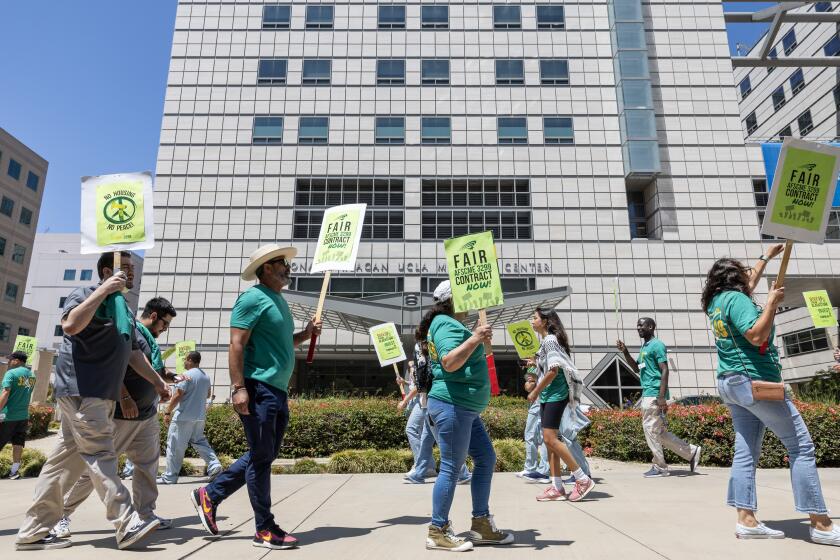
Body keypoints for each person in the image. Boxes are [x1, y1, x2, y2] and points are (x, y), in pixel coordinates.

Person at [16, 252, 171, 551]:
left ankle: (32, 532)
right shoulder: (88, 292)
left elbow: (133, 354)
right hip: (83, 391)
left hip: (96, 394)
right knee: (101, 454)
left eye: (132, 269)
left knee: (60, 466)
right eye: (123, 269)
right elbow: (71, 324)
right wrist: (103, 289)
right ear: (105, 271)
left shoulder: (122, 308)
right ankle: (126, 522)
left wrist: (157, 382)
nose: (130, 274)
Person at [703, 248, 840, 546]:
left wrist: (766, 256)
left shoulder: (717, 301)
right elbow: (756, 335)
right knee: (801, 446)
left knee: (745, 453)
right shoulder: (737, 299)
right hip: (755, 381)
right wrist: (771, 305)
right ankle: (821, 523)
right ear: (734, 279)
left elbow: (748, 282)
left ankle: (747, 520)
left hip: (731, 383)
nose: (747, 276)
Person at [191, 244, 321, 550]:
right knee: (261, 458)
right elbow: (236, 344)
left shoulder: (278, 301)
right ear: (265, 268)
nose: (288, 267)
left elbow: (282, 344)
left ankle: (210, 495)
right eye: (281, 263)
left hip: (277, 390)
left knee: (263, 454)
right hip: (258, 387)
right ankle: (264, 528)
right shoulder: (251, 298)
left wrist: (305, 334)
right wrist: (238, 388)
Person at [54, 297, 180, 539]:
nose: (166, 328)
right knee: (98, 470)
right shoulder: (129, 329)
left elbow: (148, 368)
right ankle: (61, 514)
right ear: (153, 316)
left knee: (147, 468)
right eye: (165, 323)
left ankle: (145, 515)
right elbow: (114, 366)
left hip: (146, 415)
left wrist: (167, 379)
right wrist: (124, 397)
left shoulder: (149, 339)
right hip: (124, 414)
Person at [419, 280, 513, 552]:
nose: (472, 300)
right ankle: (437, 531)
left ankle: (481, 524)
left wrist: (476, 338)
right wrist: (475, 338)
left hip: (464, 409)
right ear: (453, 300)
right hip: (452, 406)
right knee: (450, 467)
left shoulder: (450, 324)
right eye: (466, 295)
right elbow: (449, 363)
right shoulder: (445, 324)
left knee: (485, 458)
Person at [617, 318, 702, 477]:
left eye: (641, 325)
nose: (638, 327)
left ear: (651, 327)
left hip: (654, 394)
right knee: (659, 433)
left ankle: (660, 467)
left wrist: (661, 396)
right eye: (637, 325)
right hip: (648, 393)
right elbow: (637, 368)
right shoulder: (645, 347)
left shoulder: (657, 345)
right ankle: (691, 452)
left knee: (650, 430)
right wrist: (625, 352)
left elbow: (665, 370)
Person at [528, 308, 596, 502]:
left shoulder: (549, 340)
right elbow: (549, 365)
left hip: (555, 394)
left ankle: (582, 479)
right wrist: (535, 361)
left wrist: (535, 391)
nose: (532, 321)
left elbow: (553, 371)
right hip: (550, 395)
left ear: (545, 321)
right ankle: (557, 486)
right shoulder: (546, 342)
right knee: (550, 442)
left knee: (550, 440)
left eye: (535, 318)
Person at [403, 333, 471, 485]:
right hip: (428, 402)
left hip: (430, 401)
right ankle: (420, 472)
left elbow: (423, 379)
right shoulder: (431, 353)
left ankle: (462, 472)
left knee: (442, 440)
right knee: (427, 439)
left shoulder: (427, 354)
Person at [158, 351, 222, 484]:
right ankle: (215, 465)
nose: (183, 362)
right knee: (199, 441)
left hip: (183, 417)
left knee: (175, 446)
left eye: (185, 360)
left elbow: (178, 395)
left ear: (189, 359)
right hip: (199, 417)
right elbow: (208, 394)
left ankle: (170, 477)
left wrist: (167, 412)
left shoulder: (185, 376)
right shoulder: (205, 377)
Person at [0, 351, 36, 480]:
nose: (9, 362)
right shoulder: (32, 375)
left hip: (8, 415)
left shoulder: (11, 373)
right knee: (18, 444)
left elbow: (5, 392)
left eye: (11, 360)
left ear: (18, 360)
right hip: (23, 416)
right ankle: (14, 472)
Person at [516, 366, 550, 483]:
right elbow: (528, 387)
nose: (527, 361)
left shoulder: (542, 365)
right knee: (532, 437)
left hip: (539, 404)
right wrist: (531, 379)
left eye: (529, 359)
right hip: (537, 405)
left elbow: (529, 387)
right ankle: (532, 468)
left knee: (542, 438)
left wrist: (533, 381)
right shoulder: (532, 369)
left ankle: (543, 471)